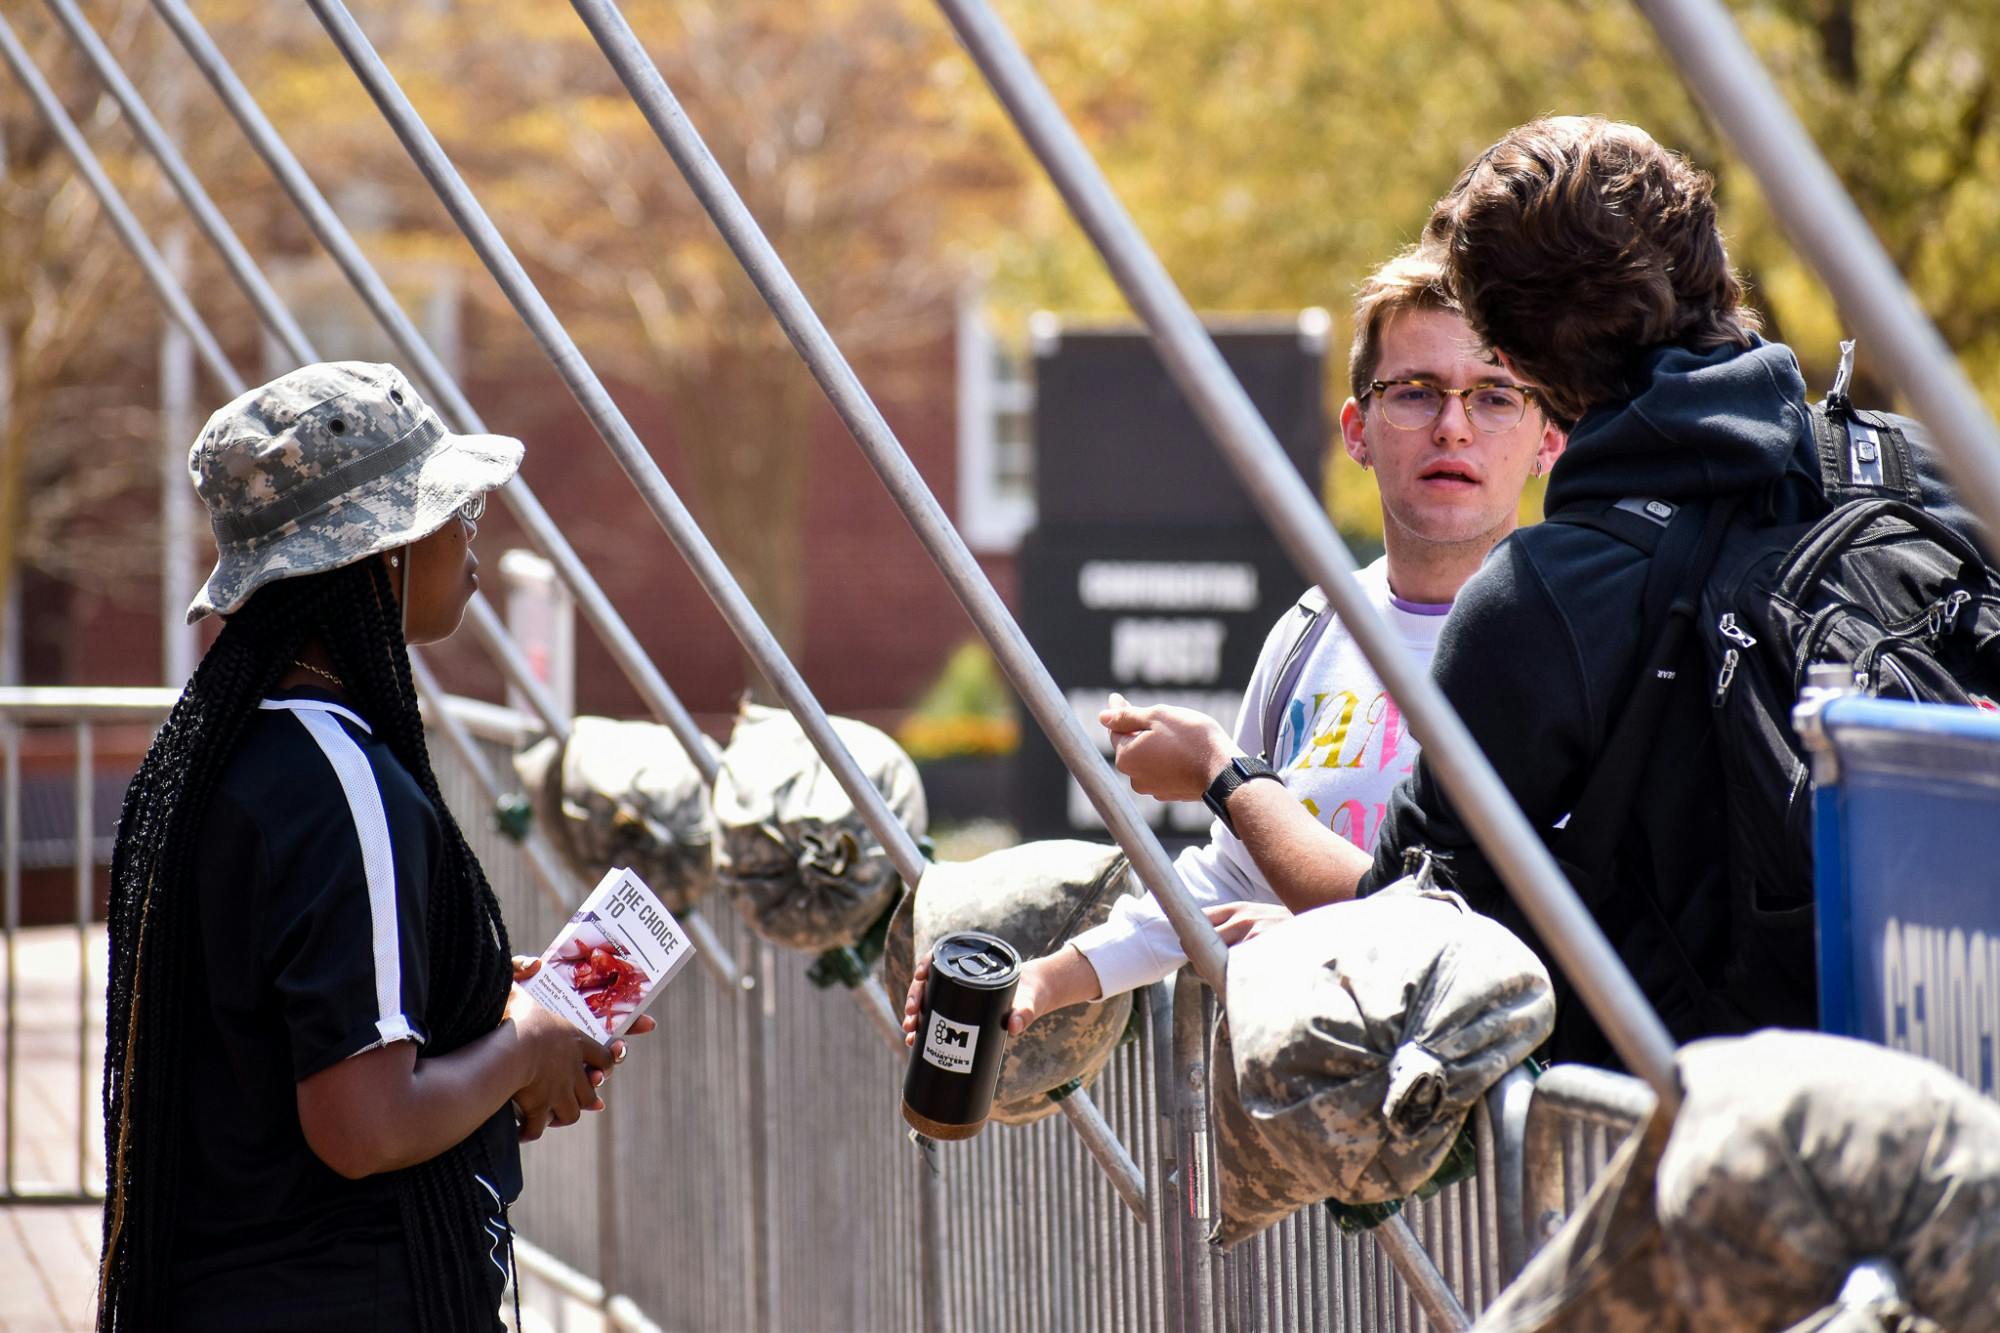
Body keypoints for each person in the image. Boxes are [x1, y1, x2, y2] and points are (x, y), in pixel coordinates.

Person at [97, 362, 653, 1331]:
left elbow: (279, 1032)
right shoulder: (341, 783)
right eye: (453, 515)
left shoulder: (233, 750)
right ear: (378, 553)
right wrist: (527, 1044)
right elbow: (366, 1123)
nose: (472, 545)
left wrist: (474, 1002)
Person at [903, 246, 1563, 1046]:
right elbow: (1225, 875)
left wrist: (1312, 937)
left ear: (1547, 438)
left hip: (1504, 1149)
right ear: (1357, 431)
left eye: (1494, 396)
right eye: (1415, 393)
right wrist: (1046, 978)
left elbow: (1546, 915)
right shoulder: (1309, 633)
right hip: (1315, 1151)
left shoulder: (1573, 644)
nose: (1452, 426)